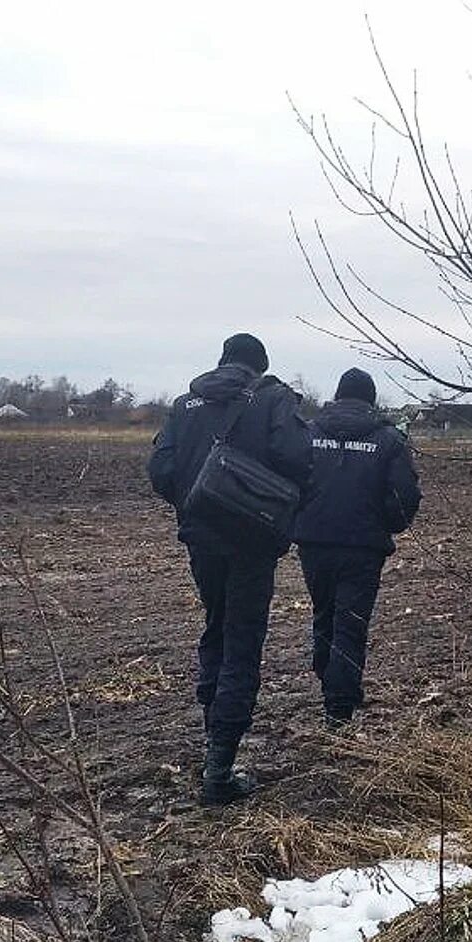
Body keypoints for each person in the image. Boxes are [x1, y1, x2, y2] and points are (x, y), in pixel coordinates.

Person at [147, 333, 312, 805]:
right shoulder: (273, 398)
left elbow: (160, 470)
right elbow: (301, 460)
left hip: (200, 538)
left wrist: (196, 503)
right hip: (254, 542)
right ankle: (220, 767)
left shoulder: (186, 404)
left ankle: (211, 739)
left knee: (216, 629)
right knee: (241, 642)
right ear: (259, 366)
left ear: (222, 362)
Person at [293, 368, 421, 728]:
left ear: (337, 394)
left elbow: (292, 480)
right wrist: (391, 523)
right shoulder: (388, 440)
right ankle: (339, 709)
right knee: (350, 624)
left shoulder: (310, 432)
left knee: (324, 613)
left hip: (313, 541)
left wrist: (300, 519)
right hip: (363, 546)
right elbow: (405, 494)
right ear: (372, 400)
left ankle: (330, 675)